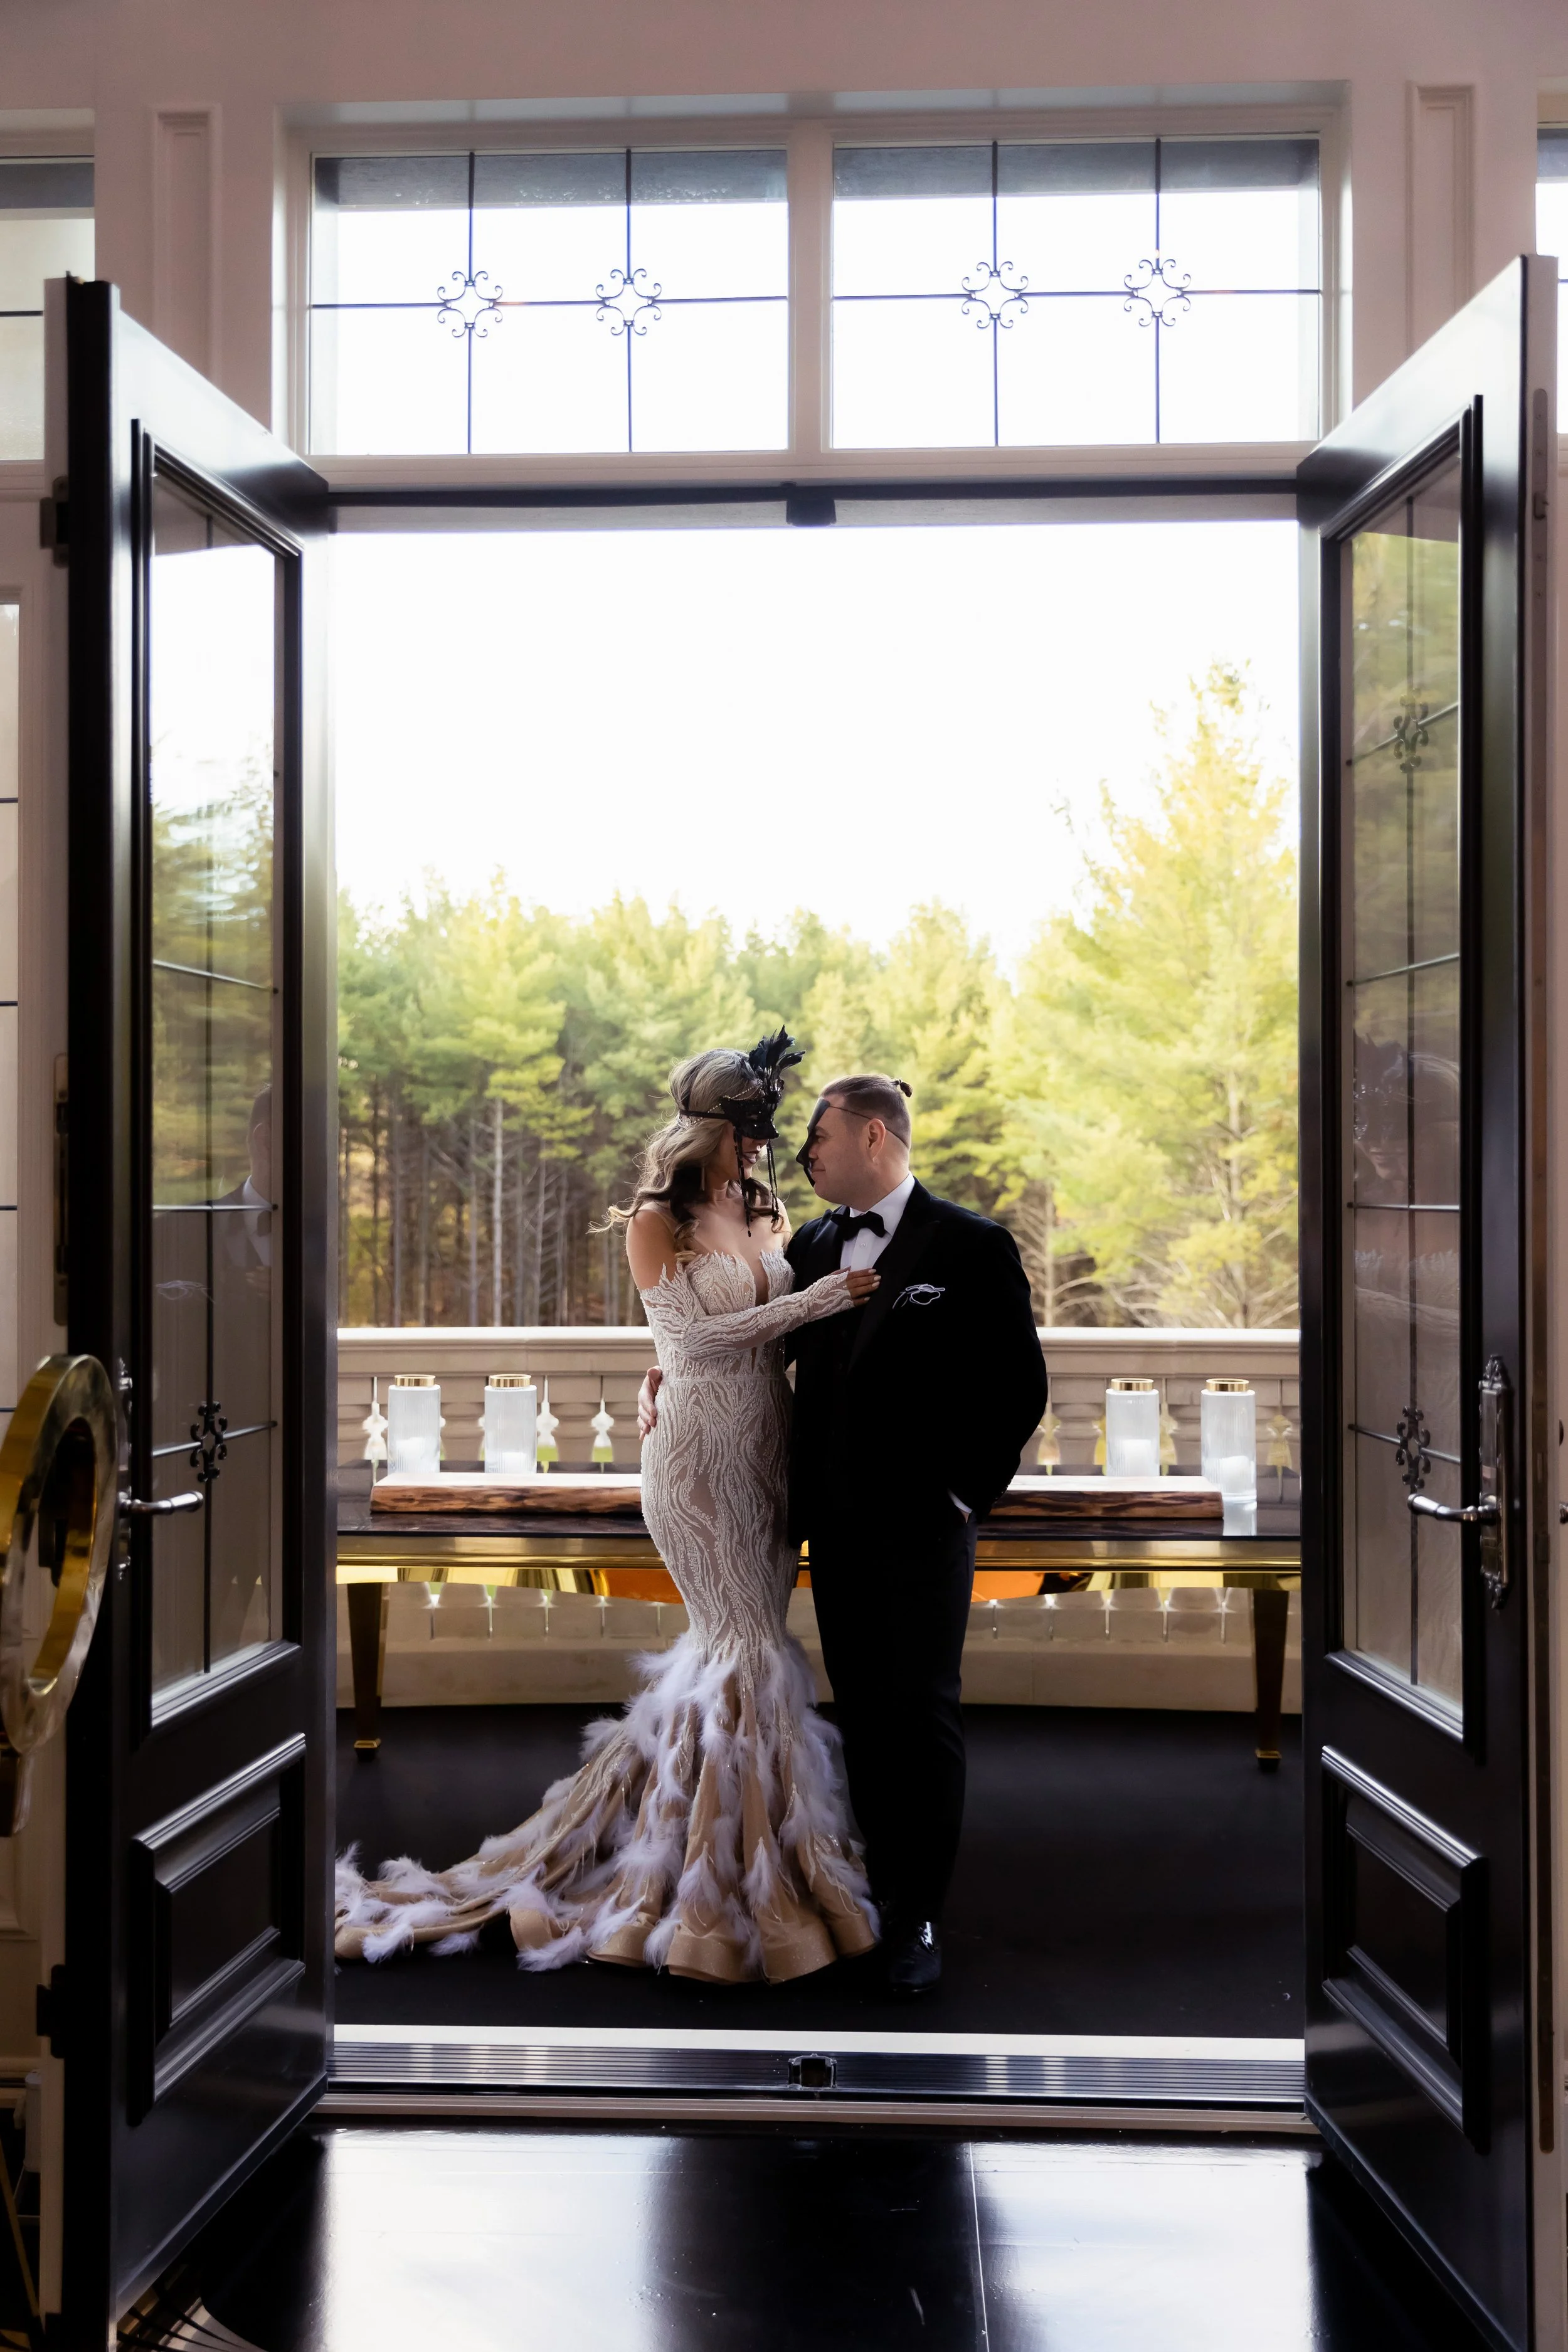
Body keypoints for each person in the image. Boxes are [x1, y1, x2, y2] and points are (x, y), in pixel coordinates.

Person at [334, 1032, 881, 1985]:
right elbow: (700, 1339)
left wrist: (757, 1330)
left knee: (742, 1651)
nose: (764, 1146)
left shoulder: (765, 1206)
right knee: (743, 1646)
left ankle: (711, 1857)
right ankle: (726, 1890)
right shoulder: (652, 1220)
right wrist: (820, 1300)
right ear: (711, 1125)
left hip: (765, 1451)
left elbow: (751, 1341)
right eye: (750, 1127)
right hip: (696, 1464)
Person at [641, 1074, 1047, 1994]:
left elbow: (1018, 1384)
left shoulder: (973, 1245)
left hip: (923, 1528)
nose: (805, 1152)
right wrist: (656, 1376)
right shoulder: (815, 1242)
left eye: (819, 1137)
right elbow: (741, 1341)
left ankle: (920, 1915)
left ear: (873, 1136)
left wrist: (960, 1496)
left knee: (923, 1716)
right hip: (826, 1527)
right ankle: (869, 1898)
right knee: (861, 1717)